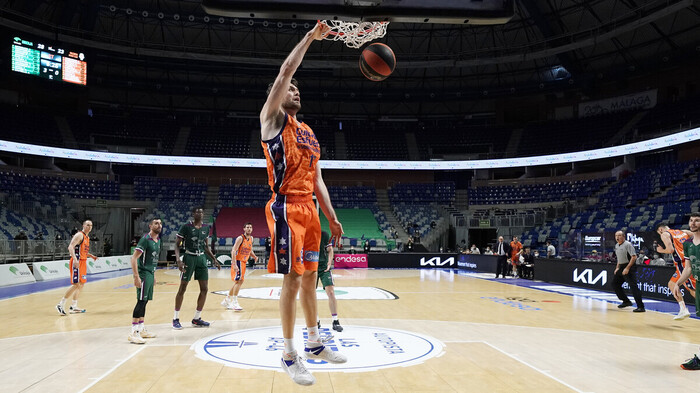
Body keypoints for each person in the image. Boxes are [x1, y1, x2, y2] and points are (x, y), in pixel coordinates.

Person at [260, 21, 347, 386]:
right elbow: (285, 69)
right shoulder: (271, 120)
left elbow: (318, 179)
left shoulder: (309, 132)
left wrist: (333, 217)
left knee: (311, 277)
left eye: (297, 89)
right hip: (285, 208)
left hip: (310, 209)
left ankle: (314, 343)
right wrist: (311, 37)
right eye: (290, 88)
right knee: (293, 279)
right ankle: (288, 353)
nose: (294, 90)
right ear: (278, 96)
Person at [173, 207, 221, 329]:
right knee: (182, 287)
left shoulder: (206, 227)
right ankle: (175, 318)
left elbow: (206, 246)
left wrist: (214, 259)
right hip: (189, 257)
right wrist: (178, 260)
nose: (199, 213)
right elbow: (177, 244)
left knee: (204, 289)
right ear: (193, 214)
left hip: (202, 259)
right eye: (197, 212)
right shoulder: (186, 227)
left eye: (201, 212)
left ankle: (196, 318)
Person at [671, 213, 700, 370]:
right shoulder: (688, 244)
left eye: (697, 220)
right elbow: (688, 268)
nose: (693, 223)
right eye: (691, 220)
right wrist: (678, 283)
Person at [128, 218, 162, 344]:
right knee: (141, 301)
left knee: (145, 301)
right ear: (150, 226)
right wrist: (136, 276)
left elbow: (152, 259)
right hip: (143, 274)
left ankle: (141, 329)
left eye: (160, 223)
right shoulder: (145, 240)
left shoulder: (158, 240)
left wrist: (153, 275)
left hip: (150, 273)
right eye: (156, 223)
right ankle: (133, 332)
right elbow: (134, 258)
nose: (159, 225)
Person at [56, 220, 98, 315]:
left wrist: (91, 256)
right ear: (83, 225)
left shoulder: (87, 237)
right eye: (87, 225)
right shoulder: (79, 235)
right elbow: (70, 247)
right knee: (76, 284)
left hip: (83, 262)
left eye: (91, 225)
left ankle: (73, 306)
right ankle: (60, 304)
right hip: (77, 262)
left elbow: (83, 251)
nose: (89, 227)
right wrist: (75, 260)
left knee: (81, 284)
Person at [655, 223, 695, 320]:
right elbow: (695, 235)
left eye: (659, 233)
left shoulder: (665, 234)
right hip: (685, 263)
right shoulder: (682, 232)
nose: (661, 236)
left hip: (684, 264)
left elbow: (670, 250)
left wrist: (661, 250)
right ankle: (683, 309)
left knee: (693, 289)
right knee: (672, 284)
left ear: (660, 230)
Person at [222, 222, 258, 311]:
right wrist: (234, 264)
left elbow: (250, 250)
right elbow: (233, 251)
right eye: (247, 227)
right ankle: (234, 302)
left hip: (243, 262)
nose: (249, 229)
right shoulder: (240, 238)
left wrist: (254, 256)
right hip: (238, 261)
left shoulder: (251, 238)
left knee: (237, 282)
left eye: (250, 227)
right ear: (244, 229)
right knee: (239, 281)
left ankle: (227, 300)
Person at [317, 230, 343, 332]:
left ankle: (335, 320)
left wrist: (329, 263)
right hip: (310, 267)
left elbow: (330, 249)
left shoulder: (324, 234)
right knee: (310, 295)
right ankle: (315, 321)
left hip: (324, 267)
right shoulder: (304, 233)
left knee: (331, 292)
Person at [612, 230, 645, 312]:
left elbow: (634, 257)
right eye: (616, 235)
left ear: (624, 236)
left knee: (633, 287)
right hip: (621, 266)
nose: (617, 237)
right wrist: (617, 268)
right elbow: (619, 258)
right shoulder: (616, 245)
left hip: (629, 266)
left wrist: (627, 268)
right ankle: (626, 301)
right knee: (615, 283)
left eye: (619, 235)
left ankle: (641, 307)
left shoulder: (628, 244)